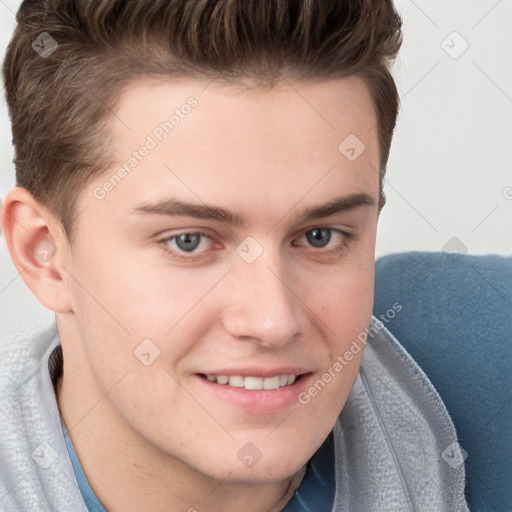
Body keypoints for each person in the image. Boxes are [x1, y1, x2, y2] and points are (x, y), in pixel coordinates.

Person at [0, 1, 469, 510]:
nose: (273, 321)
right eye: (189, 241)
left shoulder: (480, 354)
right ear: (42, 253)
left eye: (320, 236)